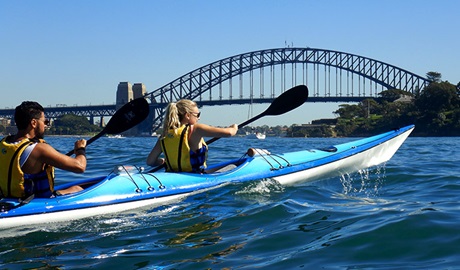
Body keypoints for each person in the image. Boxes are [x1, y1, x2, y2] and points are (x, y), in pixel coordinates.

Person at [0, 101, 87, 199]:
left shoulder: (3, 144)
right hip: (33, 203)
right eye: (45, 121)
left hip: (7, 199)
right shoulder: (39, 149)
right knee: (77, 189)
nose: (46, 125)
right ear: (34, 123)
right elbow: (80, 167)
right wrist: (80, 149)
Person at [147, 99, 238, 173]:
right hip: (195, 176)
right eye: (197, 115)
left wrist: (164, 161)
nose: (199, 118)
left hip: (171, 175)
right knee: (234, 166)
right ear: (187, 115)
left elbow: (150, 162)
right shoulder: (195, 129)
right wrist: (234, 127)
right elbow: (229, 133)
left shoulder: (164, 135)